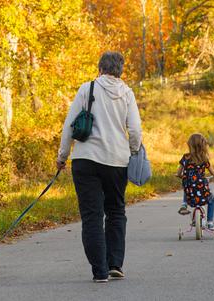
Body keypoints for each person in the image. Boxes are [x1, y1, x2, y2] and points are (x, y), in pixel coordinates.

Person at [55, 51, 142, 283]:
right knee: (115, 211)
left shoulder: (87, 88)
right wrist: (133, 152)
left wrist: (62, 156)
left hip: (86, 160)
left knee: (92, 215)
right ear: (120, 70)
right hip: (117, 161)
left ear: (100, 68)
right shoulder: (127, 94)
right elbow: (134, 130)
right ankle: (115, 264)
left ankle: (99, 271)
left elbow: (69, 126)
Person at [177, 133, 214, 229]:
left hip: (190, 193)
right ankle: (210, 222)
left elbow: (179, 172)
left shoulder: (185, 157)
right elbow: (213, 172)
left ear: (190, 145)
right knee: (212, 200)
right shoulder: (204, 159)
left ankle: (184, 204)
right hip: (201, 188)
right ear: (203, 146)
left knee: (187, 185)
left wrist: (180, 176)